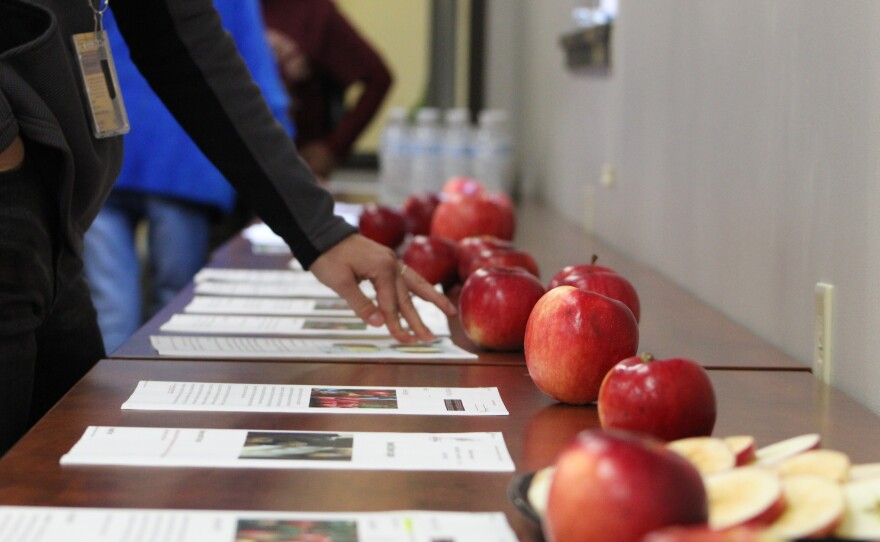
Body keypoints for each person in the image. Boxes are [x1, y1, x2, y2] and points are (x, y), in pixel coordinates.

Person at [0, 0, 456, 455]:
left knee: (71, 465)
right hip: (21, 203)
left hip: (55, 215)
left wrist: (320, 231)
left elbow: (184, 41)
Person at [82, 1, 294, 354]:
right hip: (183, 158)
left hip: (106, 149)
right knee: (175, 308)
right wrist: (284, 179)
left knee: (111, 309)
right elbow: (257, 75)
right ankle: (154, 399)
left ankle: (103, 403)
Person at [261, 0, 393, 180]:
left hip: (291, 169)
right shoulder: (225, 8)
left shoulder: (312, 11)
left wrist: (333, 148)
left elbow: (378, 78)